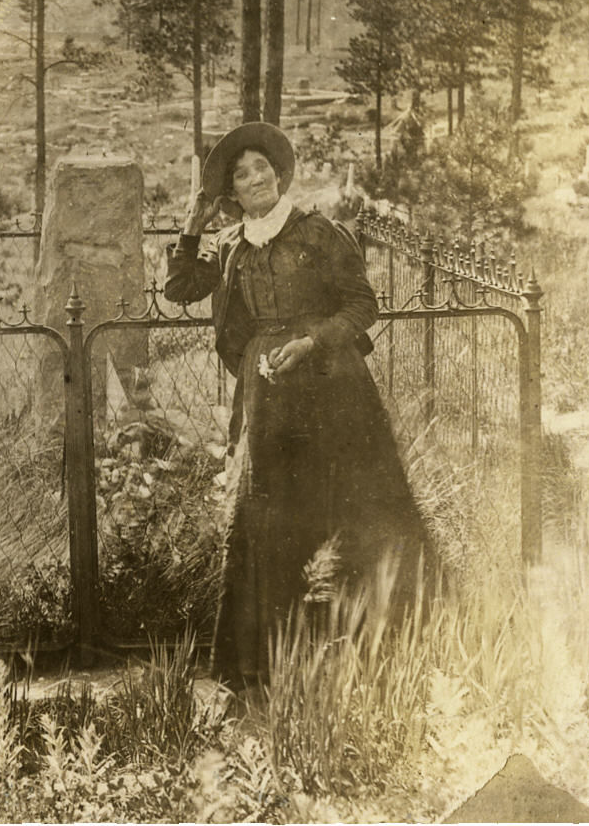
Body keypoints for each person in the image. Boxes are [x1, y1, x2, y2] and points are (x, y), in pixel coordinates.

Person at [164, 122, 435, 691]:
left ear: (279, 173)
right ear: (230, 194)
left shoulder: (319, 233)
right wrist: (192, 228)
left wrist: (311, 341)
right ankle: (266, 662)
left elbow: (363, 306)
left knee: (348, 508)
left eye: (263, 167)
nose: (256, 177)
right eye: (242, 174)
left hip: (334, 391)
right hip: (267, 395)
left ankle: (374, 650)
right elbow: (181, 288)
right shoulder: (234, 245)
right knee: (268, 517)